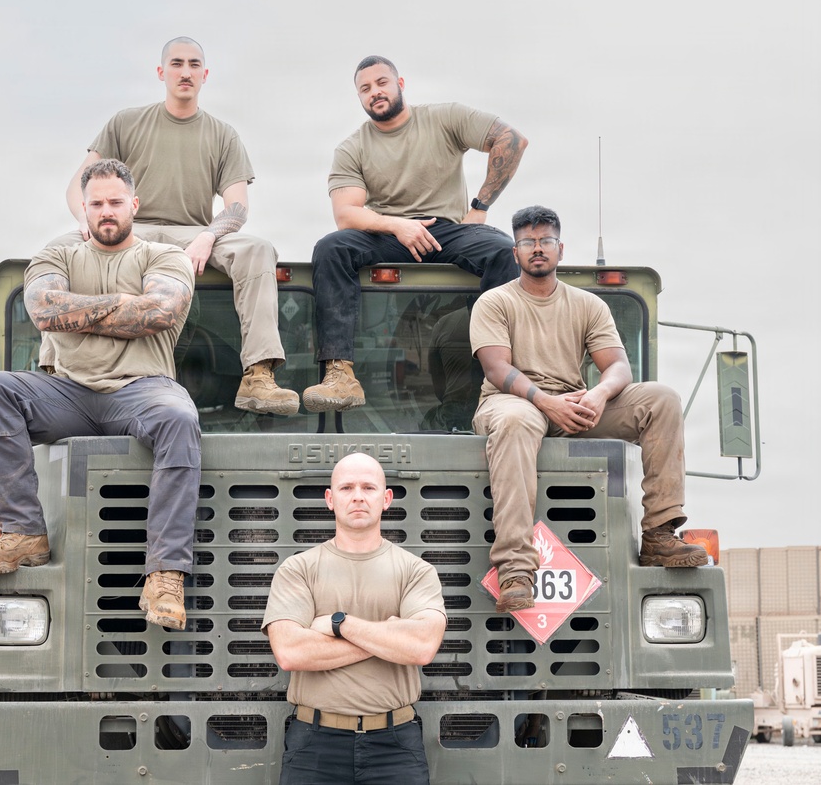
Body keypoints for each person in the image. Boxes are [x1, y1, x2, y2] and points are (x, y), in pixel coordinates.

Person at [0, 159, 200, 631]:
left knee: (179, 418)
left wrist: (78, 311)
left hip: (141, 389)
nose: (106, 211)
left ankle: (165, 573)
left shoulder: (165, 257)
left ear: (134, 204)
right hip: (66, 393)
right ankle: (24, 532)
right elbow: (43, 311)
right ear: (84, 209)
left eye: (116, 202)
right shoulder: (57, 256)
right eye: (97, 203)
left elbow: (159, 312)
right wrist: (123, 304)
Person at [469, 205, 709, 613]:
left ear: (560, 249)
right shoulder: (495, 302)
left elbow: (618, 366)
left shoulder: (587, 305)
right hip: (513, 402)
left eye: (546, 240)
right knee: (514, 421)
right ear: (515, 253)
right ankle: (515, 569)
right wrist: (545, 401)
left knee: (661, 399)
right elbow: (497, 367)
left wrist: (598, 395)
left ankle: (658, 535)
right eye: (528, 242)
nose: (537, 248)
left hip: (574, 404)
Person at [49, 36, 298, 416]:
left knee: (258, 249)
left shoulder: (223, 134)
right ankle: (53, 370)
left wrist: (208, 235)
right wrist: (86, 221)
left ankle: (258, 375)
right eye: (177, 63)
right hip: (134, 229)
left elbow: (237, 205)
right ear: (161, 72)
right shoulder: (126, 123)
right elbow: (77, 186)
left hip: (193, 232)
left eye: (194, 64)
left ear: (205, 75)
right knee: (61, 249)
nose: (185, 72)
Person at [304, 54, 528, 413]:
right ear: (359, 97)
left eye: (382, 83)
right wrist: (397, 224)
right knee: (332, 247)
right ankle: (339, 375)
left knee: (504, 250)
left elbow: (511, 139)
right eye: (365, 89)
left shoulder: (445, 117)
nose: (375, 92)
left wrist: (480, 207)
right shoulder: (352, 148)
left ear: (400, 84)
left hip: (449, 230)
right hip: (388, 233)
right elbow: (346, 214)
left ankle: (497, 374)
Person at [262, 452, 446, 784]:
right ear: (330, 499)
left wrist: (339, 624)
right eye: (346, 488)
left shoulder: (416, 571)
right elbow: (290, 653)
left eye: (368, 488)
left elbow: (421, 647)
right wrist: (389, 638)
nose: (358, 496)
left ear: (386, 499)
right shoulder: (298, 569)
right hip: (314, 745)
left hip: (395, 745)